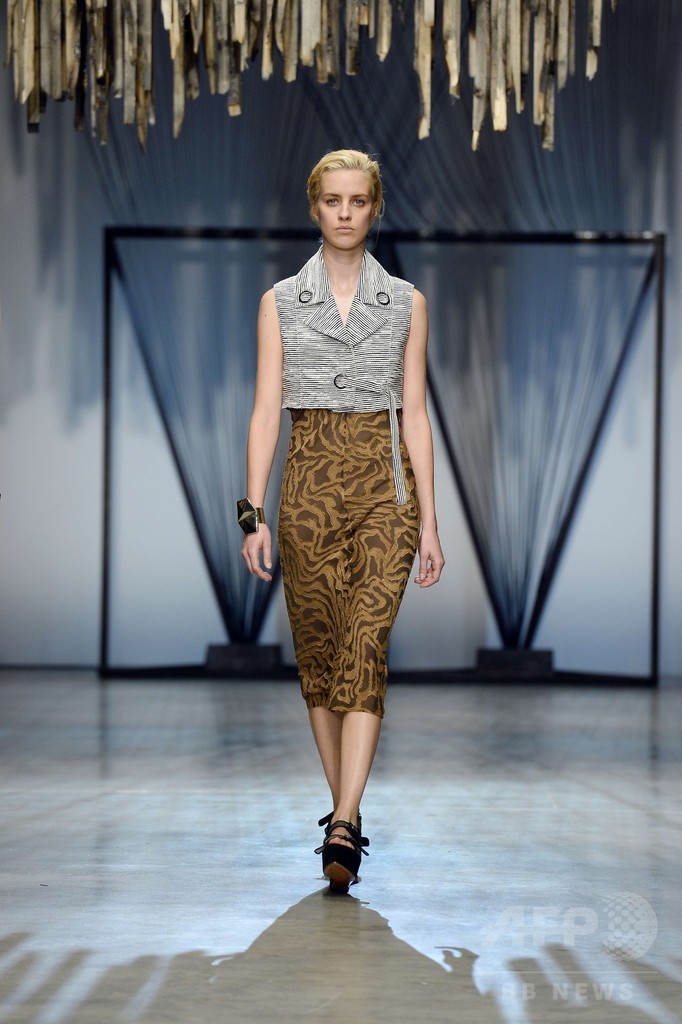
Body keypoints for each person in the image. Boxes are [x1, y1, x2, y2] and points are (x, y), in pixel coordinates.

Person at [240, 149, 444, 892]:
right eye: (333, 200)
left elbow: (415, 414)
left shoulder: (408, 303)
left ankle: (345, 821)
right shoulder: (280, 303)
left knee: (365, 644)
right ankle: (344, 815)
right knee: (322, 659)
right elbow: (266, 411)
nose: (346, 213)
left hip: (386, 492)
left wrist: (430, 523)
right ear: (315, 208)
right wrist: (252, 514)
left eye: (359, 200)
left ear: (376, 207)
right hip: (309, 489)